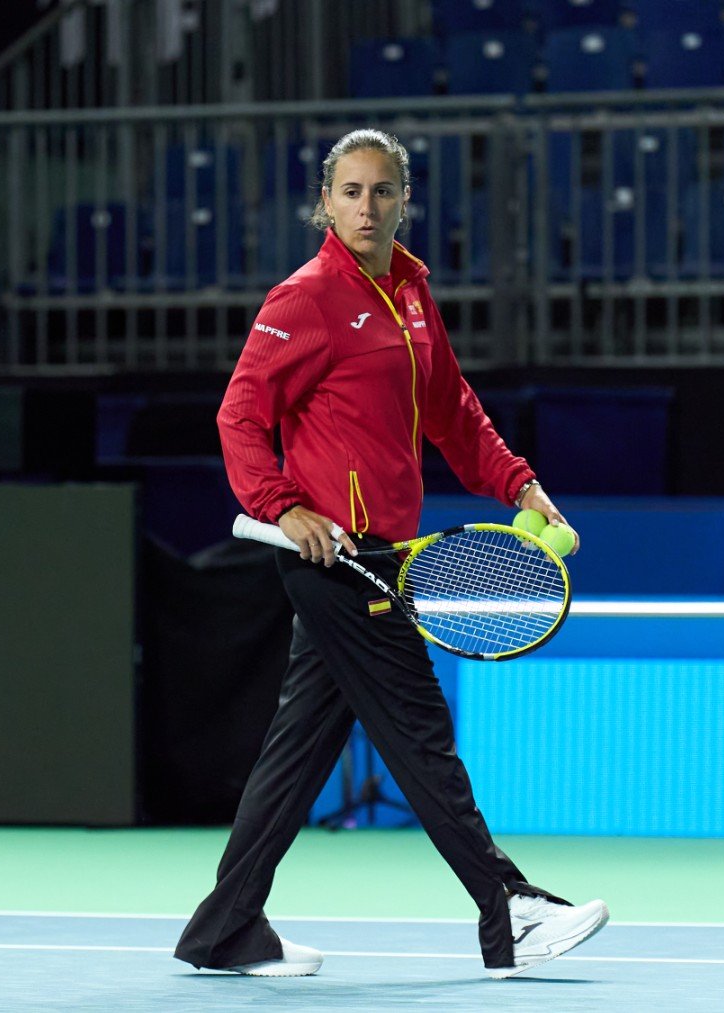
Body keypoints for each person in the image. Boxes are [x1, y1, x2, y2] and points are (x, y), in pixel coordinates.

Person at [176, 129, 608, 980]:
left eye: (381, 192)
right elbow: (238, 416)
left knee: (298, 749)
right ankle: (506, 909)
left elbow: (451, 408)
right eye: (349, 192)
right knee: (420, 728)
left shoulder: (411, 291)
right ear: (324, 203)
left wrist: (520, 485)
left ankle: (225, 927)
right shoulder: (302, 299)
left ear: (402, 200)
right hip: (337, 559)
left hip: (385, 551)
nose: (366, 207)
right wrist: (283, 505)